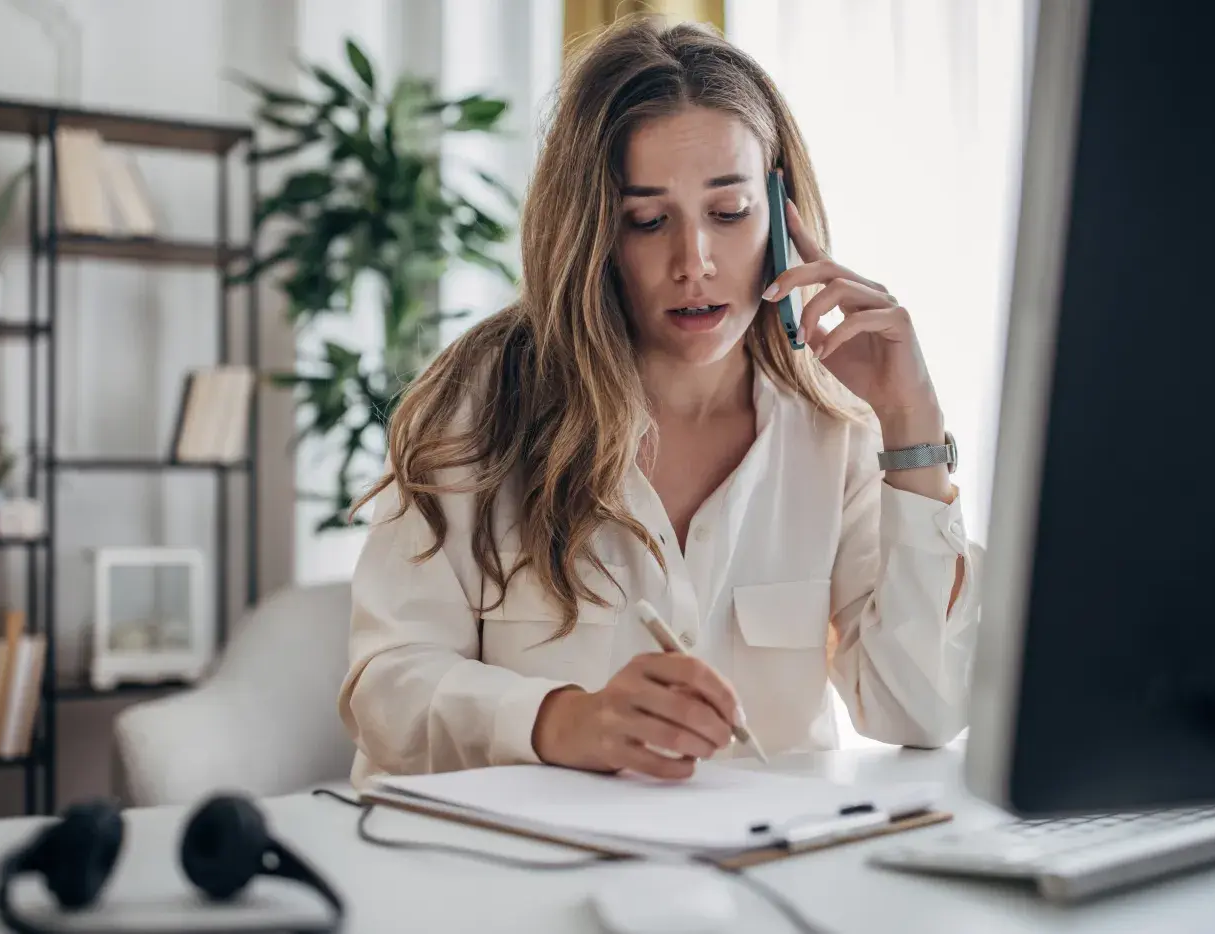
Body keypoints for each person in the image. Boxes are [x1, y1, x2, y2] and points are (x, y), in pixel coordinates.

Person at [337, 15, 985, 788]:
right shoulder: (478, 405)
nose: (694, 263)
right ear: (592, 234)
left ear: (782, 214)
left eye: (729, 212)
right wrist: (560, 720)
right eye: (647, 221)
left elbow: (923, 709)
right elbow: (385, 688)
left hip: (757, 880)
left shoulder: (834, 432)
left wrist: (912, 431)